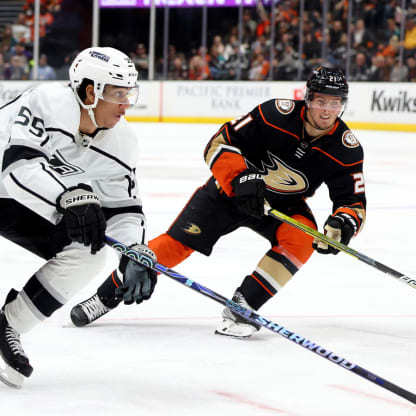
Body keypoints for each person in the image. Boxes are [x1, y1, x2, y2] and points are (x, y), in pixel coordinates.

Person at [71, 66, 366, 339]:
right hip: (230, 192)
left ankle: (243, 306)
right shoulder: (274, 114)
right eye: (321, 101)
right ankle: (104, 297)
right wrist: (239, 179)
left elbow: (353, 201)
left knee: (302, 239)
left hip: (281, 206)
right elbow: (218, 142)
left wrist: (344, 223)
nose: (327, 110)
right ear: (307, 98)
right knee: (175, 245)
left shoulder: (346, 148)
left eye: (335, 103)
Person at [0, 47, 157, 388]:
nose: (126, 104)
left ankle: (9, 324)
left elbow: (125, 209)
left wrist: (134, 250)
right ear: (90, 91)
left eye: (129, 93)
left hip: (16, 203)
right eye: (118, 94)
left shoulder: (123, 141)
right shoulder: (50, 102)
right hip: (11, 183)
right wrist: (68, 196)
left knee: (90, 251)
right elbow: (16, 169)